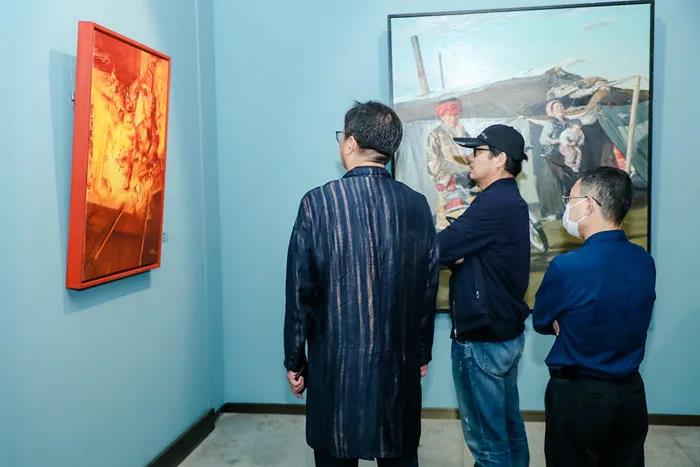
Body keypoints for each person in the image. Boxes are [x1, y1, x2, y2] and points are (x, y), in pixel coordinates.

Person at [284, 101, 439, 467]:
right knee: (398, 449)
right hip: (397, 366)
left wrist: (295, 359)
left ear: (350, 142)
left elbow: (300, 291)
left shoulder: (318, 203)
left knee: (336, 450)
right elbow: (427, 288)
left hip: (336, 369)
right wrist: (421, 352)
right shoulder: (417, 205)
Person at [532, 167, 656, 467]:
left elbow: (542, 320)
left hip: (578, 398)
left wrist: (564, 320)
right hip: (630, 395)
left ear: (588, 205)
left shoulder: (567, 267)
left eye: (570, 199)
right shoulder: (644, 260)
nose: (567, 207)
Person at [438, 124, 531, 466]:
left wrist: (455, 253)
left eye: (478, 152)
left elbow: (438, 248)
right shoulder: (507, 200)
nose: (471, 159)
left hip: (483, 340)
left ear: (500, 159)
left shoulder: (494, 203)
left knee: (488, 444)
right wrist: (460, 255)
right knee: (508, 430)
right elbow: (461, 251)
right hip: (502, 333)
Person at [426, 98, 472, 229]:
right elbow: (433, 161)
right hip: (448, 182)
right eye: (449, 115)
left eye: (455, 115)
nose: (453, 119)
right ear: (442, 116)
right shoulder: (435, 135)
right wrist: (445, 179)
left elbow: (471, 155)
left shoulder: (464, 133)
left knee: (467, 219)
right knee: (447, 220)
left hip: (467, 181)